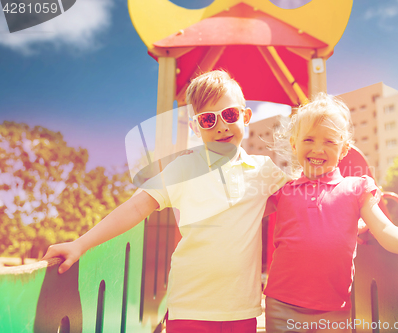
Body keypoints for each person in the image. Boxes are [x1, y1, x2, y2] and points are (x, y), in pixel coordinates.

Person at [43, 70, 290, 333]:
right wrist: (80, 244)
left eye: (229, 115)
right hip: (189, 307)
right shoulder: (183, 168)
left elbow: (297, 199)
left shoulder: (263, 170)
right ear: (196, 127)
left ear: (246, 116)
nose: (221, 126)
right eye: (208, 120)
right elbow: (137, 206)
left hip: (242, 309)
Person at [263, 93, 398, 333]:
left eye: (329, 142)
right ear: (294, 144)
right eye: (309, 139)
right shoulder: (283, 190)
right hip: (282, 305)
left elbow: (383, 227)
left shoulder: (356, 188)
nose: (318, 149)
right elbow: (241, 214)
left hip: (334, 309)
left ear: (343, 149)